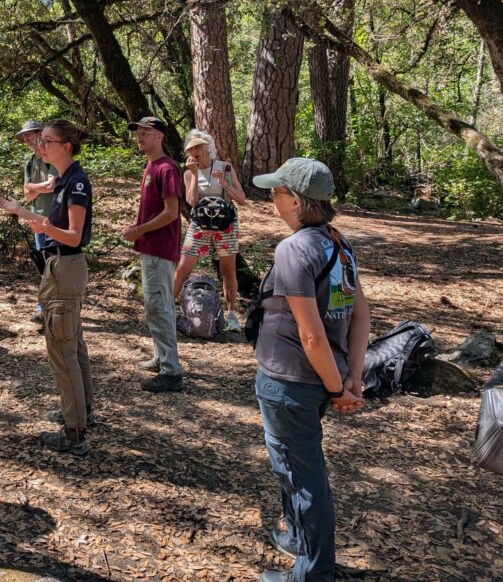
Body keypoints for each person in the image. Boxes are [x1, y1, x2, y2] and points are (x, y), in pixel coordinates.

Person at [251, 158, 370, 582]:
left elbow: (312, 335)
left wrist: (340, 389)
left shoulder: (293, 249)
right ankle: (298, 539)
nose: (271, 197)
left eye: (277, 191)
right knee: (296, 467)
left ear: (297, 202)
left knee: (303, 479)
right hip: (320, 379)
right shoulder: (339, 243)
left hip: (290, 381)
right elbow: (360, 315)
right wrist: (351, 376)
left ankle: (312, 573)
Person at [0, 120, 94, 455]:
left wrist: (44, 225)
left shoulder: (76, 182)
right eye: (41, 141)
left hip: (66, 266)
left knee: (63, 351)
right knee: (73, 345)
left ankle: (74, 431)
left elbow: (74, 237)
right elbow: (49, 218)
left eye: (48, 141)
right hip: (60, 266)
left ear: (66, 146)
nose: (41, 147)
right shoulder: (63, 179)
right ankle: (81, 413)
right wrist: (19, 210)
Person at [122, 117, 185, 392]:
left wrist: (139, 230)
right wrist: (138, 229)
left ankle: (171, 371)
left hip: (160, 248)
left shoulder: (167, 168)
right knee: (154, 304)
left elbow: (172, 212)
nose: (140, 137)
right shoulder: (151, 166)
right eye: (138, 132)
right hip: (150, 247)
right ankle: (161, 357)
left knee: (160, 305)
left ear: (160, 136)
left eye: (146, 132)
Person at [173, 130, 247, 332]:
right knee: (183, 267)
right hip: (200, 224)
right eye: (191, 149)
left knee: (228, 269)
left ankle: (231, 315)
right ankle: (168, 309)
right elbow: (191, 201)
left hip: (225, 224)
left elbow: (241, 199)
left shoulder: (225, 167)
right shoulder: (189, 173)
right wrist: (194, 175)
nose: (195, 152)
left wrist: (224, 183)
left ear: (208, 147)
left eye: (198, 147)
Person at [16, 120, 58, 320]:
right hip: (36, 221)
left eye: (29, 134)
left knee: (55, 266)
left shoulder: (52, 158)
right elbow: (27, 196)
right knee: (43, 265)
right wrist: (37, 188)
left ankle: (50, 306)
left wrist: (33, 186)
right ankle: (45, 307)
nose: (26, 139)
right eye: (24, 136)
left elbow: (51, 186)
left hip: (56, 222)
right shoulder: (30, 163)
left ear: (41, 134)